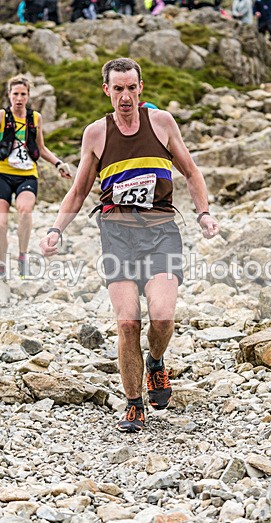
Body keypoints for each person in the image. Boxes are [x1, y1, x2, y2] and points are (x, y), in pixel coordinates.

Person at [39, 58, 220, 433]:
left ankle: (155, 361)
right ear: (107, 90)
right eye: (118, 88)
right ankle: (134, 404)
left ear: (141, 89)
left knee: (163, 316)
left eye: (131, 88)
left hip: (161, 232)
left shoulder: (162, 123)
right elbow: (79, 191)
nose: (125, 96)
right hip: (117, 236)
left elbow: (191, 172)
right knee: (127, 322)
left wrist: (203, 213)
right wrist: (56, 229)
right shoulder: (96, 133)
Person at [0, 75, 72, 279]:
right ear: (9, 94)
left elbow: (41, 148)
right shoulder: (1, 116)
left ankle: (22, 256)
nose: (19, 98)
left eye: (23, 94)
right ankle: (1, 263)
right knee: (0, 224)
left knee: (25, 211)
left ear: (28, 95)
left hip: (27, 176)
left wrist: (58, 163)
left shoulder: (35, 118)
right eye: (15, 94)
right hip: (3, 175)